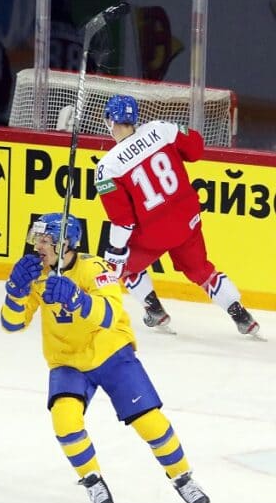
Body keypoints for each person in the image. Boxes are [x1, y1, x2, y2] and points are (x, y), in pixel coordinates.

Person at [0, 212, 211, 503]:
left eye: (46, 240)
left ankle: (183, 478)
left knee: (149, 422)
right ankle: (92, 479)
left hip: (110, 354)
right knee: (64, 421)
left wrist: (77, 298)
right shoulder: (35, 274)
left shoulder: (95, 268)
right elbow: (11, 324)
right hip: (68, 360)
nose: (38, 246)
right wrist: (15, 292)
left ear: (66, 243)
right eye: (38, 239)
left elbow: (110, 313)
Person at [95, 95, 259, 337]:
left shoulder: (107, 168)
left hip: (153, 232)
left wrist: (116, 254)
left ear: (110, 121)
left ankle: (155, 311)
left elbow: (123, 221)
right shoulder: (161, 129)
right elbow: (196, 148)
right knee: (202, 270)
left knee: (126, 268)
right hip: (187, 221)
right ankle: (241, 315)